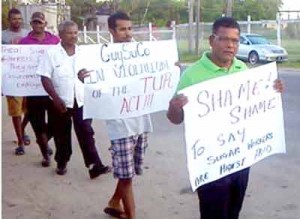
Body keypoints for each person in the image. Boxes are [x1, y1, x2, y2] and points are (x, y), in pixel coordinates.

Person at [167, 17, 284, 219]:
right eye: (224, 39)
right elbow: (175, 119)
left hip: (240, 158)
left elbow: (254, 107)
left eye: (235, 41)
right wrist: (175, 107)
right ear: (212, 40)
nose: (230, 45)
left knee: (233, 212)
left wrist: (272, 91)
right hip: (211, 162)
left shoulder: (242, 69)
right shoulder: (192, 75)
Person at [78, 12, 153, 219]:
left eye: (130, 28)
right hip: (119, 125)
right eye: (122, 29)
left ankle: (114, 202)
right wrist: (84, 78)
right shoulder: (101, 57)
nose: (128, 33)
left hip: (141, 120)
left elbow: (156, 76)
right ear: (111, 31)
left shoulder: (144, 53)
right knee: (126, 175)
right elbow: (94, 84)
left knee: (130, 172)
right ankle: (131, 216)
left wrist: (169, 70)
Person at [37, 20, 111, 178]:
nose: (73, 36)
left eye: (76, 32)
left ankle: (94, 166)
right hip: (60, 102)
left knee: (86, 132)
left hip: (81, 100)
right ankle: (61, 162)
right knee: (62, 135)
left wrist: (87, 79)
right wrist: (55, 98)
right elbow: (45, 77)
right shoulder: (51, 54)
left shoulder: (84, 53)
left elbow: (94, 74)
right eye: (70, 33)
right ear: (61, 35)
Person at [19, 11, 60, 167]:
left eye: (40, 22)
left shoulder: (55, 41)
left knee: (56, 122)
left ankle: (43, 140)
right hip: (32, 89)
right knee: (38, 124)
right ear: (31, 24)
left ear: (45, 24)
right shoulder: (23, 42)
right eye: (35, 22)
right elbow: (15, 66)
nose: (38, 25)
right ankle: (45, 154)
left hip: (52, 90)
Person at [2, 8, 31, 155]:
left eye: (19, 19)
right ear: (9, 20)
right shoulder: (3, 36)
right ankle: (20, 142)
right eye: (14, 19)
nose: (17, 21)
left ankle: (23, 129)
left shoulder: (28, 34)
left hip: (28, 79)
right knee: (16, 112)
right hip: (11, 79)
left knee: (30, 110)